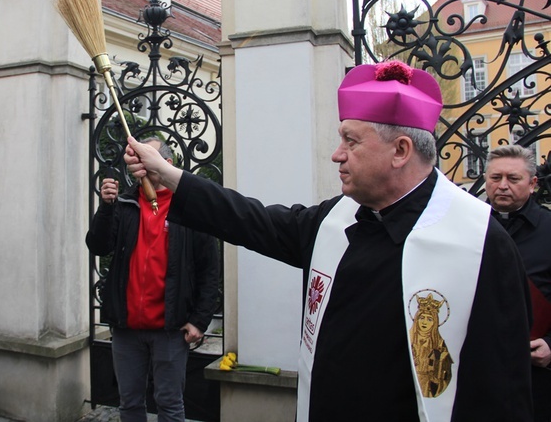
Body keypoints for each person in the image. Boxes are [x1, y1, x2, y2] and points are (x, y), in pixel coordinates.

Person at [124, 60, 533, 421]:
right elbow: (252, 221)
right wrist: (169, 176)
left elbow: (501, 391)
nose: (337, 155)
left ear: (400, 150)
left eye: (351, 141)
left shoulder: (477, 244)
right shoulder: (337, 219)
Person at [86, 138, 220, 422]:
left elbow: (209, 269)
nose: (138, 166)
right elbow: (99, 246)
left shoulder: (192, 207)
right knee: (130, 403)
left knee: (170, 405)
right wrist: (106, 207)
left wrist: (199, 320)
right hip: (126, 328)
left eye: (145, 159)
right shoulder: (125, 203)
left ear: (166, 165)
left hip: (170, 329)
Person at [484, 145, 551, 422]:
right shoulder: (464, 226)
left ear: (533, 184)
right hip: (480, 370)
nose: (502, 186)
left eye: (513, 179)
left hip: (537, 374)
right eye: (495, 178)